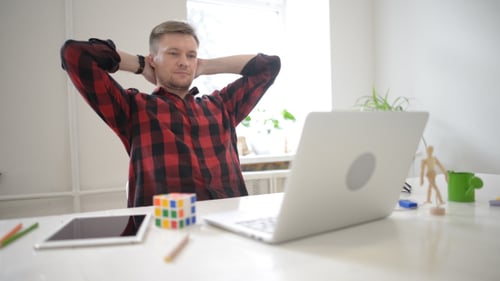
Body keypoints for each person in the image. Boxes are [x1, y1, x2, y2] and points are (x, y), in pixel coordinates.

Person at [60, 20, 281, 207]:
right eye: (173, 53)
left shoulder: (222, 105)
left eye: (191, 55)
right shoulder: (133, 108)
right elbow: (76, 55)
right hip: (166, 233)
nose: (184, 62)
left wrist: (203, 66)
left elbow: (268, 67)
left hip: (230, 229)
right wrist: (140, 65)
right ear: (153, 59)